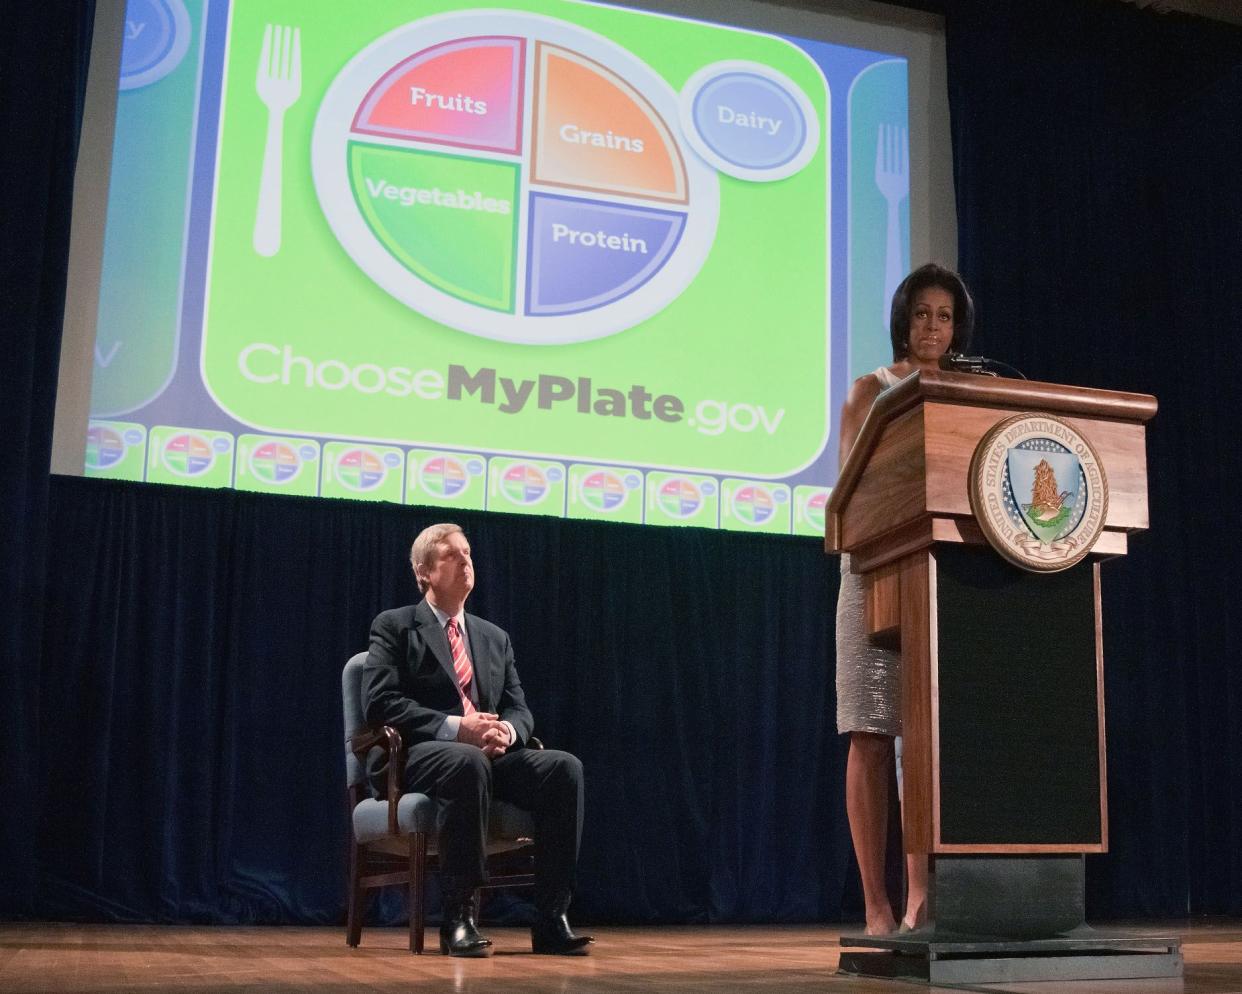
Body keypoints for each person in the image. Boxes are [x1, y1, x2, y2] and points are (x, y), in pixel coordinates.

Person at [362, 523, 593, 957]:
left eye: (468, 552)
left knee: (564, 768)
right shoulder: (395, 626)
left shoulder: (493, 637)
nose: (466, 560)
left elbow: (519, 707)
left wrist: (507, 731)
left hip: (488, 757)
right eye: (452, 554)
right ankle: (459, 919)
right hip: (417, 756)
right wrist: (457, 728)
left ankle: (550, 918)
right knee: (464, 761)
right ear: (423, 572)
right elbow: (381, 703)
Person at [835, 263, 975, 935]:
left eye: (945, 316)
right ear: (902, 320)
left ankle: (921, 896)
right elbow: (851, 493)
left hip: (936, 577)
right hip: (872, 574)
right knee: (870, 731)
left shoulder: (966, 394)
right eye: (922, 313)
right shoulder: (873, 390)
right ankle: (876, 904)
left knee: (921, 737)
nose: (933, 327)